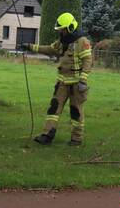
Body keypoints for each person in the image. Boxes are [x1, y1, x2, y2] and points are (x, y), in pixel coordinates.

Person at [19, 12, 92, 146]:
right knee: (54, 108)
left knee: (76, 111)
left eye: (62, 29)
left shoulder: (82, 41)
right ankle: (47, 135)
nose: (60, 32)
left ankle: (76, 138)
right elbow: (49, 49)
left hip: (77, 84)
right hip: (62, 82)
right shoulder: (62, 41)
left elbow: (87, 60)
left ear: (70, 28)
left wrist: (83, 80)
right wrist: (30, 46)